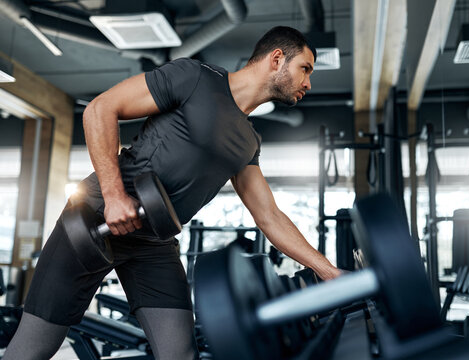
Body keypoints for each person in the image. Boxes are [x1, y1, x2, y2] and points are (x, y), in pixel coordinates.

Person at [4, 26, 341, 360]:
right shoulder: (195, 77)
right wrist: (114, 196)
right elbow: (100, 109)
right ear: (277, 59)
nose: (308, 83)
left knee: (179, 352)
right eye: (305, 69)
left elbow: (269, 216)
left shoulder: (249, 142)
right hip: (94, 217)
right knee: (33, 349)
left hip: (153, 242)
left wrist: (329, 273)